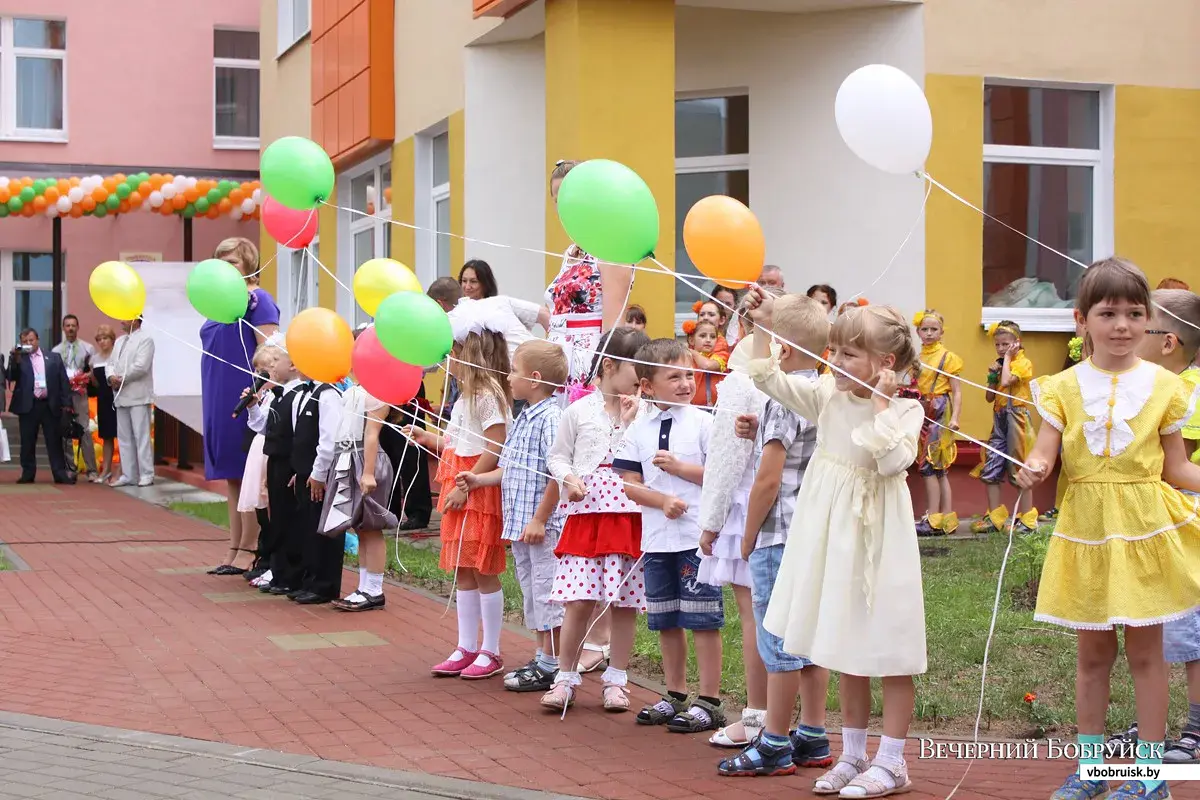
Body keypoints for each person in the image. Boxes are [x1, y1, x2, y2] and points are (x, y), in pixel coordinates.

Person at [1017, 259, 1200, 800]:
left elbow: (1177, 467)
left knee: (1148, 657)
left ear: (1150, 323)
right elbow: (1045, 454)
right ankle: (1092, 769)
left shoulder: (1166, 387)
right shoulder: (1061, 388)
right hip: (1087, 534)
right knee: (1092, 657)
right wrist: (1034, 469)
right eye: (1108, 312)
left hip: (1145, 533)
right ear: (1081, 321)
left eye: (1135, 313)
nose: (1121, 324)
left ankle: (1149, 778)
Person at [741, 288, 927, 797]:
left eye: (848, 353)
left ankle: (892, 761)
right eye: (835, 350)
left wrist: (886, 403)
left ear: (884, 363)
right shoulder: (827, 394)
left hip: (877, 542)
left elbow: (892, 462)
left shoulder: (905, 412)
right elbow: (768, 379)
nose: (835, 361)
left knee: (885, 646)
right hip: (831, 537)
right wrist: (762, 326)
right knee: (844, 646)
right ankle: (851, 754)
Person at [718, 295, 833, 777]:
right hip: (813, 530)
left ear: (782, 349)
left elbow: (768, 479)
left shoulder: (782, 397)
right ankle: (812, 733)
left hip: (779, 530)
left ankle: (775, 742)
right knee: (810, 634)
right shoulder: (826, 391)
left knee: (779, 637)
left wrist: (746, 537)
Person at [1106, 287, 1200, 765]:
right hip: (1153, 526)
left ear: (1167, 342)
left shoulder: (1187, 394)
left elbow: (1173, 465)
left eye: (1142, 322)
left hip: (1186, 526)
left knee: (1192, 634)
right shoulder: (1145, 387)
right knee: (1155, 628)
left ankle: (1197, 731)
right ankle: (1151, 726)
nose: (1127, 332)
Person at [546, 158, 632, 670]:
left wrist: (597, 383)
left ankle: (600, 636)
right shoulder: (571, 252)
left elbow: (613, 322)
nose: (563, 207)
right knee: (570, 503)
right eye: (557, 197)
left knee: (598, 502)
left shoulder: (613, 248)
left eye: (570, 195)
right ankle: (569, 626)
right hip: (560, 374)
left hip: (591, 378)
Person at [615, 338, 725, 734]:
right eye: (673, 376)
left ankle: (710, 699)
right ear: (647, 386)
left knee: (703, 618)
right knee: (666, 619)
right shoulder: (639, 429)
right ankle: (675, 693)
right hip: (657, 539)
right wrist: (660, 500)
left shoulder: (703, 423)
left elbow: (721, 475)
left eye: (689, 375)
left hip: (696, 538)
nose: (684, 383)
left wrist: (681, 470)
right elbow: (629, 484)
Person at [539, 327, 651, 712]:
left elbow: (641, 458)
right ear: (609, 366)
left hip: (627, 515)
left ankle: (617, 678)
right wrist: (568, 479)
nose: (642, 379)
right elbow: (558, 455)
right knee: (578, 599)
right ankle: (565, 676)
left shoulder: (644, 412)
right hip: (586, 514)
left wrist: (629, 422)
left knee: (623, 602)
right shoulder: (578, 411)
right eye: (636, 370)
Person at [406, 301, 511, 680]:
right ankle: (466, 645)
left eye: (453, 351)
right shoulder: (466, 397)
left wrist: (468, 486)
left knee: (482, 568)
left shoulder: (486, 394)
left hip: (475, 485)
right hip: (459, 480)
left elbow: (496, 444)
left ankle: (492, 649)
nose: (448, 358)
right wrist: (426, 437)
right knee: (463, 569)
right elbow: (456, 442)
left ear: (470, 353)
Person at [458, 340, 569, 693]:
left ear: (534, 379)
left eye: (514, 370)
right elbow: (509, 468)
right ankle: (542, 655)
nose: (509, 377)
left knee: (547, 593)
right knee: (532, 593)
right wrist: (478, 479)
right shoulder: (524, 416)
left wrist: (539, 518)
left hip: (543, 527)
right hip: (521, 527)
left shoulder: (551, 418)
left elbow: (556, 473)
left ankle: (554, 662)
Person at [697, 315, 771, 749]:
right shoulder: (811, 379)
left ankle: (758, 714)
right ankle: (791, 718)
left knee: (754, 616)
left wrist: (711, 518)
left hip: (748, 503)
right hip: (791, 504)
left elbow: (726, 457)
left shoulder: (742, 381)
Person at [200, 237, 281, 574]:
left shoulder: (257, 300)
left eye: (232, 262)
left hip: (246, 398)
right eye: (221, 261)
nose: (225, 268)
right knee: (233, 477)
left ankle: (251, 548)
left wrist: (260, 392)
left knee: (249, 476)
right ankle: (233, 546)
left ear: (249, 265)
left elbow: (271, 354)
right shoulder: (216, 303)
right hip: (217, 396)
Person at [325, 374, 398, 611]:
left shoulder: (378, 391)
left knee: (371, 525)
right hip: (348, 456)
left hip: (366, 460)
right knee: (359, 525)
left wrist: (367, 472)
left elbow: (371, 433)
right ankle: (363, 586)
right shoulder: (354, 387)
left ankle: (374, 589)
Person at [970, 320, 1038, 533]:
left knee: (1018, 467)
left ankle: (1027, 520)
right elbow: (990, 397)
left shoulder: (1022, 363)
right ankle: (995, 517)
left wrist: (1007, 359)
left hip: (1016, 417)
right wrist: (992, 376)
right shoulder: (1001, 364)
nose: (1000, 349)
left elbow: (1008, 382)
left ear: (1017, 343)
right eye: (997, 345)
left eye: (1005, 344)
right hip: (999, 417)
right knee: (991, 466)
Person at [214, 345, 277, 576]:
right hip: (258, 450)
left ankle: (265, 557)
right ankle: (262, 556)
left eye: (265, 370)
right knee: (257, 503)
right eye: (257, 370)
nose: (259, 375)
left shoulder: (283, 395)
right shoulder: (267, 397)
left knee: (271, 506)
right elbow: (259, 424)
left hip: (271, 452)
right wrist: (251, 406)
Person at [248, 344, 305, 596]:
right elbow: (263, 426)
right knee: (277, 517)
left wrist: (298, 467)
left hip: (289, 461)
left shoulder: (298, 396)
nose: (270, 367)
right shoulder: (275, 395)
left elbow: (298, 434)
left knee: (291, 519)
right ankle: (279, 571)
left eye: (275, 361)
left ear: (292, 366)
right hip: (273, 460)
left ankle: (292, 574)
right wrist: (251, 406)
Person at [289, 374, 345, 605]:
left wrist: (318, 473)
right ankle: (310, 579)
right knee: (308, 527)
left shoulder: (328, 395)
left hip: (321, 475)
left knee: (323, 528)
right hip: (306, 473)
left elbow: (328, 440)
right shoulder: (308, 392)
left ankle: (324, 585)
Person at [911, 310, 964, 537]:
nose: (929, 333)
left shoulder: (948, 357)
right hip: (923, 409)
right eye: (925, 329)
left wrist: (954, 418)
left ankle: (935, 518)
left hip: (940, 410)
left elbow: (957, 391)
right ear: (918, 332)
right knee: (934, 468)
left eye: (934, 329)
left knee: (933, 466)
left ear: (942, 332)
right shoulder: (918, 358)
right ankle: (942, 517)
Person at [7, 327, 73, 484]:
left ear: (37, 340)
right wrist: (15, 357)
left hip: (49, 405)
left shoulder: (54, 358)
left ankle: (59, 473)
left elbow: (63, 382)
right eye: (25, 342)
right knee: (27, 441)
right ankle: (28, 473)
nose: (29, 344)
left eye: (31, 340)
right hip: (29, 405)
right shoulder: (19, 358)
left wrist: (67, 405)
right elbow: (11, 376)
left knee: (54, 441)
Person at [109, 317, 155, 488]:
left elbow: (141, 366)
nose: (122, 321)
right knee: (124, 437)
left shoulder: (146, 339)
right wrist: (110, 376)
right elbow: (110, 363)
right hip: (120, 395)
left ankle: (146, 473)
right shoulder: (120, 341)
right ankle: (129, 474)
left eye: (125, 318)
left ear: (136, 320)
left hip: (138, 395)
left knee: (141, 435)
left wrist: (121, 378)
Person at [52, 314, 97, 481]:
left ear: (78, 327)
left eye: (73, 325)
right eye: (67, 325)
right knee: (66, 430)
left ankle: (91, 469)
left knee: (84, 429)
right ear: (63, 328)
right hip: (64, 395)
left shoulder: (88, 348)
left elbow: (92, 371)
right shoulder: (56, 351)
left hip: (80, 394)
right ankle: (70, 468)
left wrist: (83, 377)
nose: (70, 328)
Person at [89, 325, 119, 484]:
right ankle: (106, 470)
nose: (102, 342)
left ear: (112, 339)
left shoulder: (118, 356)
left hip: (117, 398)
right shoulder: (94, 359)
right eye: (99, 339)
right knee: (107, 436)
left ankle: (120, 471)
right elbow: (94, 381)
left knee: (121, 435)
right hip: (103, 399)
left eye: (105, 338)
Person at [684, 319, 726, 408]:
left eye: (713, 337)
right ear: (691, 340)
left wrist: (692, 352)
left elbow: (707, 365)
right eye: (703, 336)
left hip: (716, 409)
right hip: (690, 407)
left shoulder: (722, 355)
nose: (708, 340)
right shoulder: (685, 358)